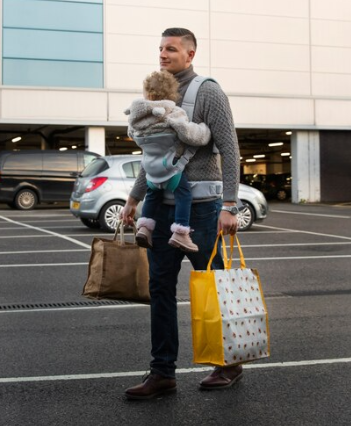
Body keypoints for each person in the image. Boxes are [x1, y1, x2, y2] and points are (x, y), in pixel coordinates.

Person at [120, 27, 241, 400]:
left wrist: (231, 204)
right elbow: (155, 159)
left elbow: (229, 147)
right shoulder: (159, 97)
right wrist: (133, 198)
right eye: (159, 48)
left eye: (170, 49)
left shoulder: (208, 91)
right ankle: (163, 373)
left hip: (202, 210)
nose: (162, 54)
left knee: (213, 286)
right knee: (160, 290)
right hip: (162, 209)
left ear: (190, 54)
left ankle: (228, 362)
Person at [125, 70, 212, 253]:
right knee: (184, 195)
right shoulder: (172, 113)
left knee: (152, 195)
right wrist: (204, 129)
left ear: (146, 93)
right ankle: (181, 232)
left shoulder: (135, 119)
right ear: (172, 94)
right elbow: (191, 134)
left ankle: (145, 229)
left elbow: (132, 134)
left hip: (150, 172)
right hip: (170, 169)